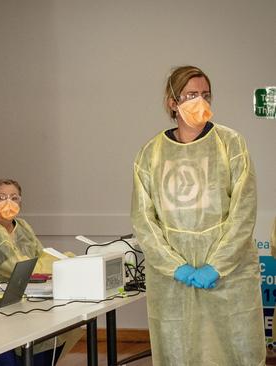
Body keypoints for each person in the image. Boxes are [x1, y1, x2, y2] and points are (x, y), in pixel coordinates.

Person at [131, 65, 265, 365]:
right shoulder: (150, 154)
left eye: (206, 95)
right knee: (179, 351)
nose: (200, 101)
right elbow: (143, 219)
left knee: (235, 349)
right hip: (172, 280)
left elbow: (243, 211)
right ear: (172, 101)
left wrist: (217, 265)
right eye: (191, 94)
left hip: (229, 275)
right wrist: (175, 266)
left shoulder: (231, 144)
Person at [0, 179, 80, 366]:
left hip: (18, 294)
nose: (8, 202)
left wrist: (60, 260)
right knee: (41, 324)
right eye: (1, 197)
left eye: (14, 197)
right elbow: (17, 268)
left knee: (61, 322)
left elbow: (40, 255)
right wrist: (61, 262)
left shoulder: (21, 225)